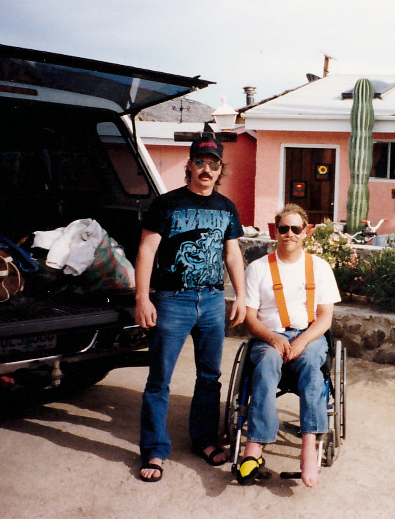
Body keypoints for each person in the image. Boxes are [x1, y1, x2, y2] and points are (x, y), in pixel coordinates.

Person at [135, 134, 246, 482]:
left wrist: (240, 295)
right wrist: (142, 298)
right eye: (200, 162)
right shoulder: (166, 204)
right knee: (159, 380)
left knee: (210, 377)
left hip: (212, 300)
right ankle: (154, 451)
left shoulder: (227, 208)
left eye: (214, 164)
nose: (207, 170)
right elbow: (147, 251)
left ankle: (204, 440)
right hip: (172, 301)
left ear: (220, 170)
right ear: (189, 166)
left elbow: (232, 254)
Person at [242, 203, 340, 488]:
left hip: (308, 336)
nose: (289, 234)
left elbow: (325, 317)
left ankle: (309, 448)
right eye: (283, 228)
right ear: (276, 231)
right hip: (269, 336)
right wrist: (274, 339)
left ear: (305, 232)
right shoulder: (258, 268)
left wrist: (301, 340)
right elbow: (250, 317)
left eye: (295, 229)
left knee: (312, 365)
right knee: (266, 363)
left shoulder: (319, 268)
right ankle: (254, 448)